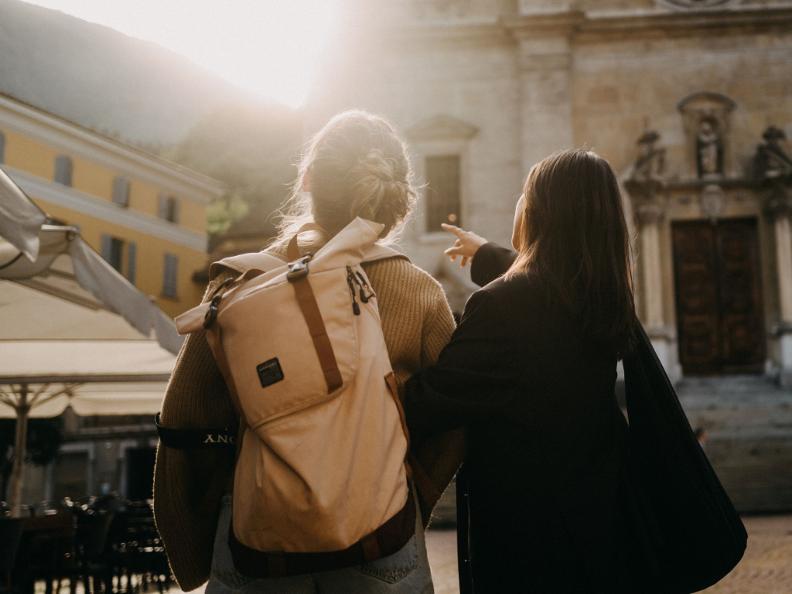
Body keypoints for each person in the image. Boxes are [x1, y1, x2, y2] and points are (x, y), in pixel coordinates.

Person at [153, 110, 463, 594]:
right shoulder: (420, 292)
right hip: (384, 534)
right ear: (396, 199)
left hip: (258, 538)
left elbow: (184, 420)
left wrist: (191, 551)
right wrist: (413, 496)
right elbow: (456, 415)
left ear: (309, 179)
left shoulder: (238, 284)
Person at [405, 149, 641, 593]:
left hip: (530, 549)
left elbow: (428, 403)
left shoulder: (500, 306)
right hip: (602, 531)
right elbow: (551, 291)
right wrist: (489, 256)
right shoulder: (605, 299)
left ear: (538, 213)